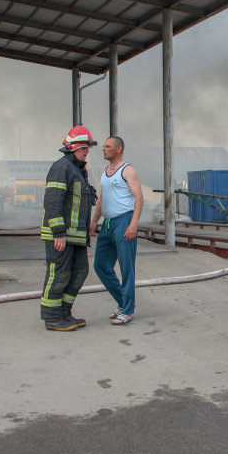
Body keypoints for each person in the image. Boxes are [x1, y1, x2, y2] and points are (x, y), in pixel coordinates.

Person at [39, 125, 98, 331]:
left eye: (88, 146)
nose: (87, 150)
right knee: (59, 274)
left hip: (77, 236)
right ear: (71, 147)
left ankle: (64, 312)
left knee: (80, 272)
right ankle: (52, 317)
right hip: (62, 236)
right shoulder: (62, 167)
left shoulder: (78, 170)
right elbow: (53, 201)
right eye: (83, 146)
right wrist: (58, 233)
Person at [90, 136, 144, 325]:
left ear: (119, 149)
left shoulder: (127, 171)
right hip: (107, 223)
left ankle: (127, 311)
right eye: (103, 146)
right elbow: (102, 199)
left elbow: (139, 198)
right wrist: (94, 220)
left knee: (126, 267)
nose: (103, 149)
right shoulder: (105, 172)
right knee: (101, 265)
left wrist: (133, 223)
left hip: (124, 222)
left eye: (107, 146)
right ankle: (123, 301)